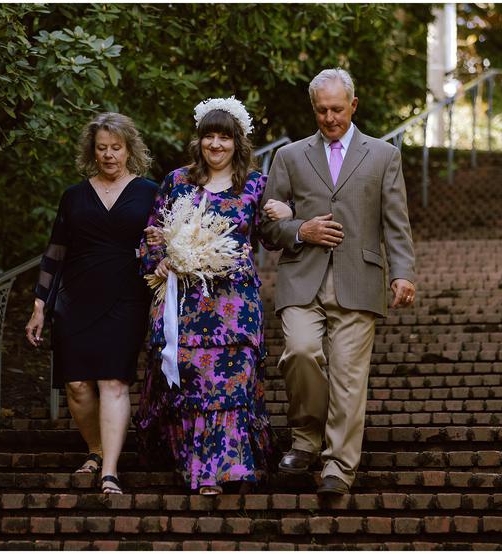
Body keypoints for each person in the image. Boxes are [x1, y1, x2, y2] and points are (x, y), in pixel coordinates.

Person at [259, 68, 416, 495]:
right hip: (301, 277)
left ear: (354, 105)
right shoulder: (289, 156)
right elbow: (267, 227)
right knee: (301, 353)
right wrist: (299, 230)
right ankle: (307, 440)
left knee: (349, 375)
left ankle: (338, 468)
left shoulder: (384, 155)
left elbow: (395, 223)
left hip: (359, 277)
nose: (330, 118)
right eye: (322, 110)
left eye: (337, 109)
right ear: (314, 109)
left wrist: (402, 273)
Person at [135, 97, 290, 496]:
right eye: (209, 136)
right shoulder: (177, 181)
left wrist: (287, 215)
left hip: (234, 304)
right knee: (193, 385)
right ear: (199, 141)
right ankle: (201, 471)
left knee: (231, 385)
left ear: (238, 142)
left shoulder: (255, 184)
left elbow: (271, 239)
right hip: (184, 303)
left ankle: (227, 468)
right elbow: (151, 234)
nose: (216, 144)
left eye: (225, 137)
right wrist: (160, 260)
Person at [25, 112, 158, 495]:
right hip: (75, 297)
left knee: (114, 381)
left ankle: (110, 472)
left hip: (127, 296)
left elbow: (163, 242)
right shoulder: (73, 196)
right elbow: (55, 253)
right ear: (92, 151)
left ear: (130, 149)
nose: (109, 155)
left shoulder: (150, 192)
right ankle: (95, 450)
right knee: (77, 385)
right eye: (102, 148)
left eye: (116, 148)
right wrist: (39, 305)